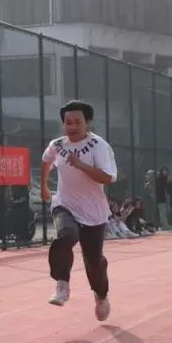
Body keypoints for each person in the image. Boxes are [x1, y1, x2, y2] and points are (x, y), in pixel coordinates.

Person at [41, 100, 118, 321]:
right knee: (66, 236)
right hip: (64, 204)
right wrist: (44, 185)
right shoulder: (57, 145)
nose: (72, 127)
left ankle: (101, 296)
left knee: (94, 261)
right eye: (68, 123)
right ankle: (62, 284)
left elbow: (107, 178)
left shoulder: (99, 146)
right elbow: (46, 161)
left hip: (93, 212)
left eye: (77, 122)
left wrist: (81, 165)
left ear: (88, 122)